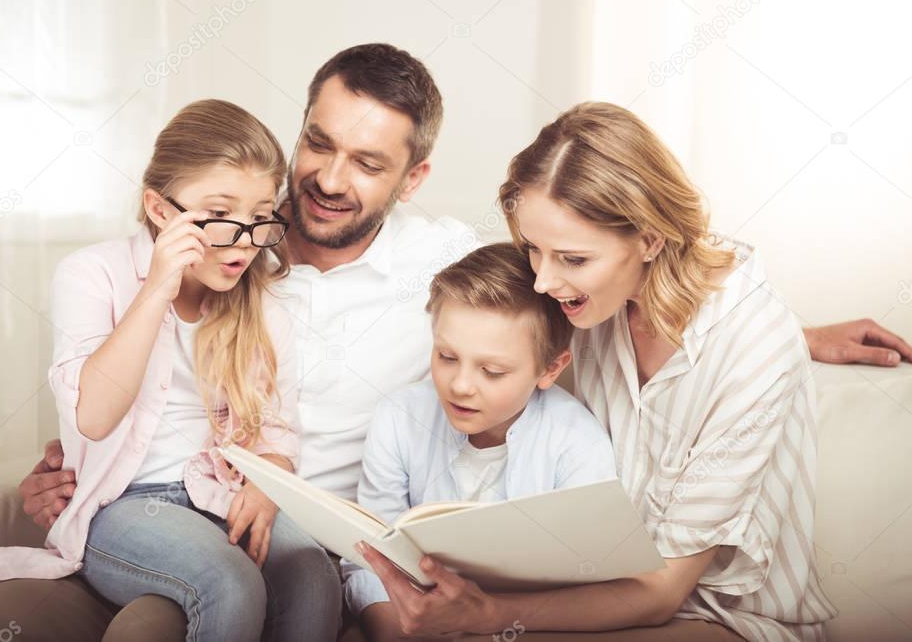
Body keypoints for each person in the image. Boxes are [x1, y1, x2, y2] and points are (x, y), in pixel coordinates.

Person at [0, 43, 912, 640]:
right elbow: (117, 380)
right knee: (24, 620)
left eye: (368, 162)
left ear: (412, 180)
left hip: (332, 550)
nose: (327, 177)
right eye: (318, 144)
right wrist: (83, 457)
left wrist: (791, 335)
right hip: (177, 516)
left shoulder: (451, 263)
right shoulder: (229, 241)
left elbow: (581, 302)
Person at [358, 102, 843, 641]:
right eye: (533, 250)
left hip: (716, 616)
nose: (541, 282)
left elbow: (661, 594)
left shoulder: (752, 341)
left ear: (650, 239)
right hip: (577, 593)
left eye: (572, 259)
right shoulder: (593, 302)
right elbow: (488, 318)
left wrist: (490, 614)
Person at [0, 99, 341, 642]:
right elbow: (94, 419)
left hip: (222, 493)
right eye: (220, 215)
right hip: (123, 506)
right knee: (229, 581)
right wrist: (156, 289)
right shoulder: (90, 274)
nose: (242, 241)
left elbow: (277, 432)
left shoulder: (264, 303)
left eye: (259, 216)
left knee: (313, 574)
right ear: (160, 209)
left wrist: (269, 486)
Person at [344, 243, 617, 641]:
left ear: (550, 368)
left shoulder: (579, 446)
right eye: (447, 357)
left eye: (492, 371)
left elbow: (590, 584)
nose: (460, 386)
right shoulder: (398, 418)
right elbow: (371, 558)